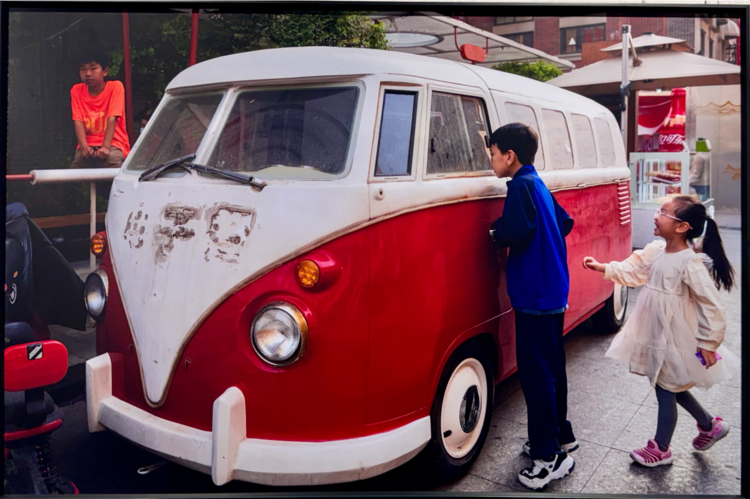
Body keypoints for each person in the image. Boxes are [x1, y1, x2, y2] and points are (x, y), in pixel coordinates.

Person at [582, 195, 738, 467]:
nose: (656, 215)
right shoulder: (656, 250)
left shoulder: (689, 263)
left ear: (682, 227)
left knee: (666, 387)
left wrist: (708, 343)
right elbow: (633, 269)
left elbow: (711, 305)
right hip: (657, 332)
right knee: (671, 383)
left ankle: (661, 448)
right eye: (658, 210)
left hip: (676, 336)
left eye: (664, 212)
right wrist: (605, 268)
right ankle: (709, 425)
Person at [489, 123, 577, 490]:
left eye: (493, 154)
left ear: (509, 156)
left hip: (535, 297)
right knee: (552, 369)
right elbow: (565, 222)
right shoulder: (538, 183)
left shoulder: (519, 186)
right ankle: (560, 435)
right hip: (553, 292)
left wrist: (494, 232)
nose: (492, 160)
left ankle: (548, 458)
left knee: (536, 376)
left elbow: (513, 230)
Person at [70, 50, 130, 168]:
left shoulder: (115, 87)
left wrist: (105, 147)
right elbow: (78, 121)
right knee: (78, 162)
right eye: (83, 69)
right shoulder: (76, 90)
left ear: (105, 71)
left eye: (93, 68)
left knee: (112, 159)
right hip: (88, 145)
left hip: (113, 144)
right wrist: (84, 146)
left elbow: (112, 118)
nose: (88, 73)